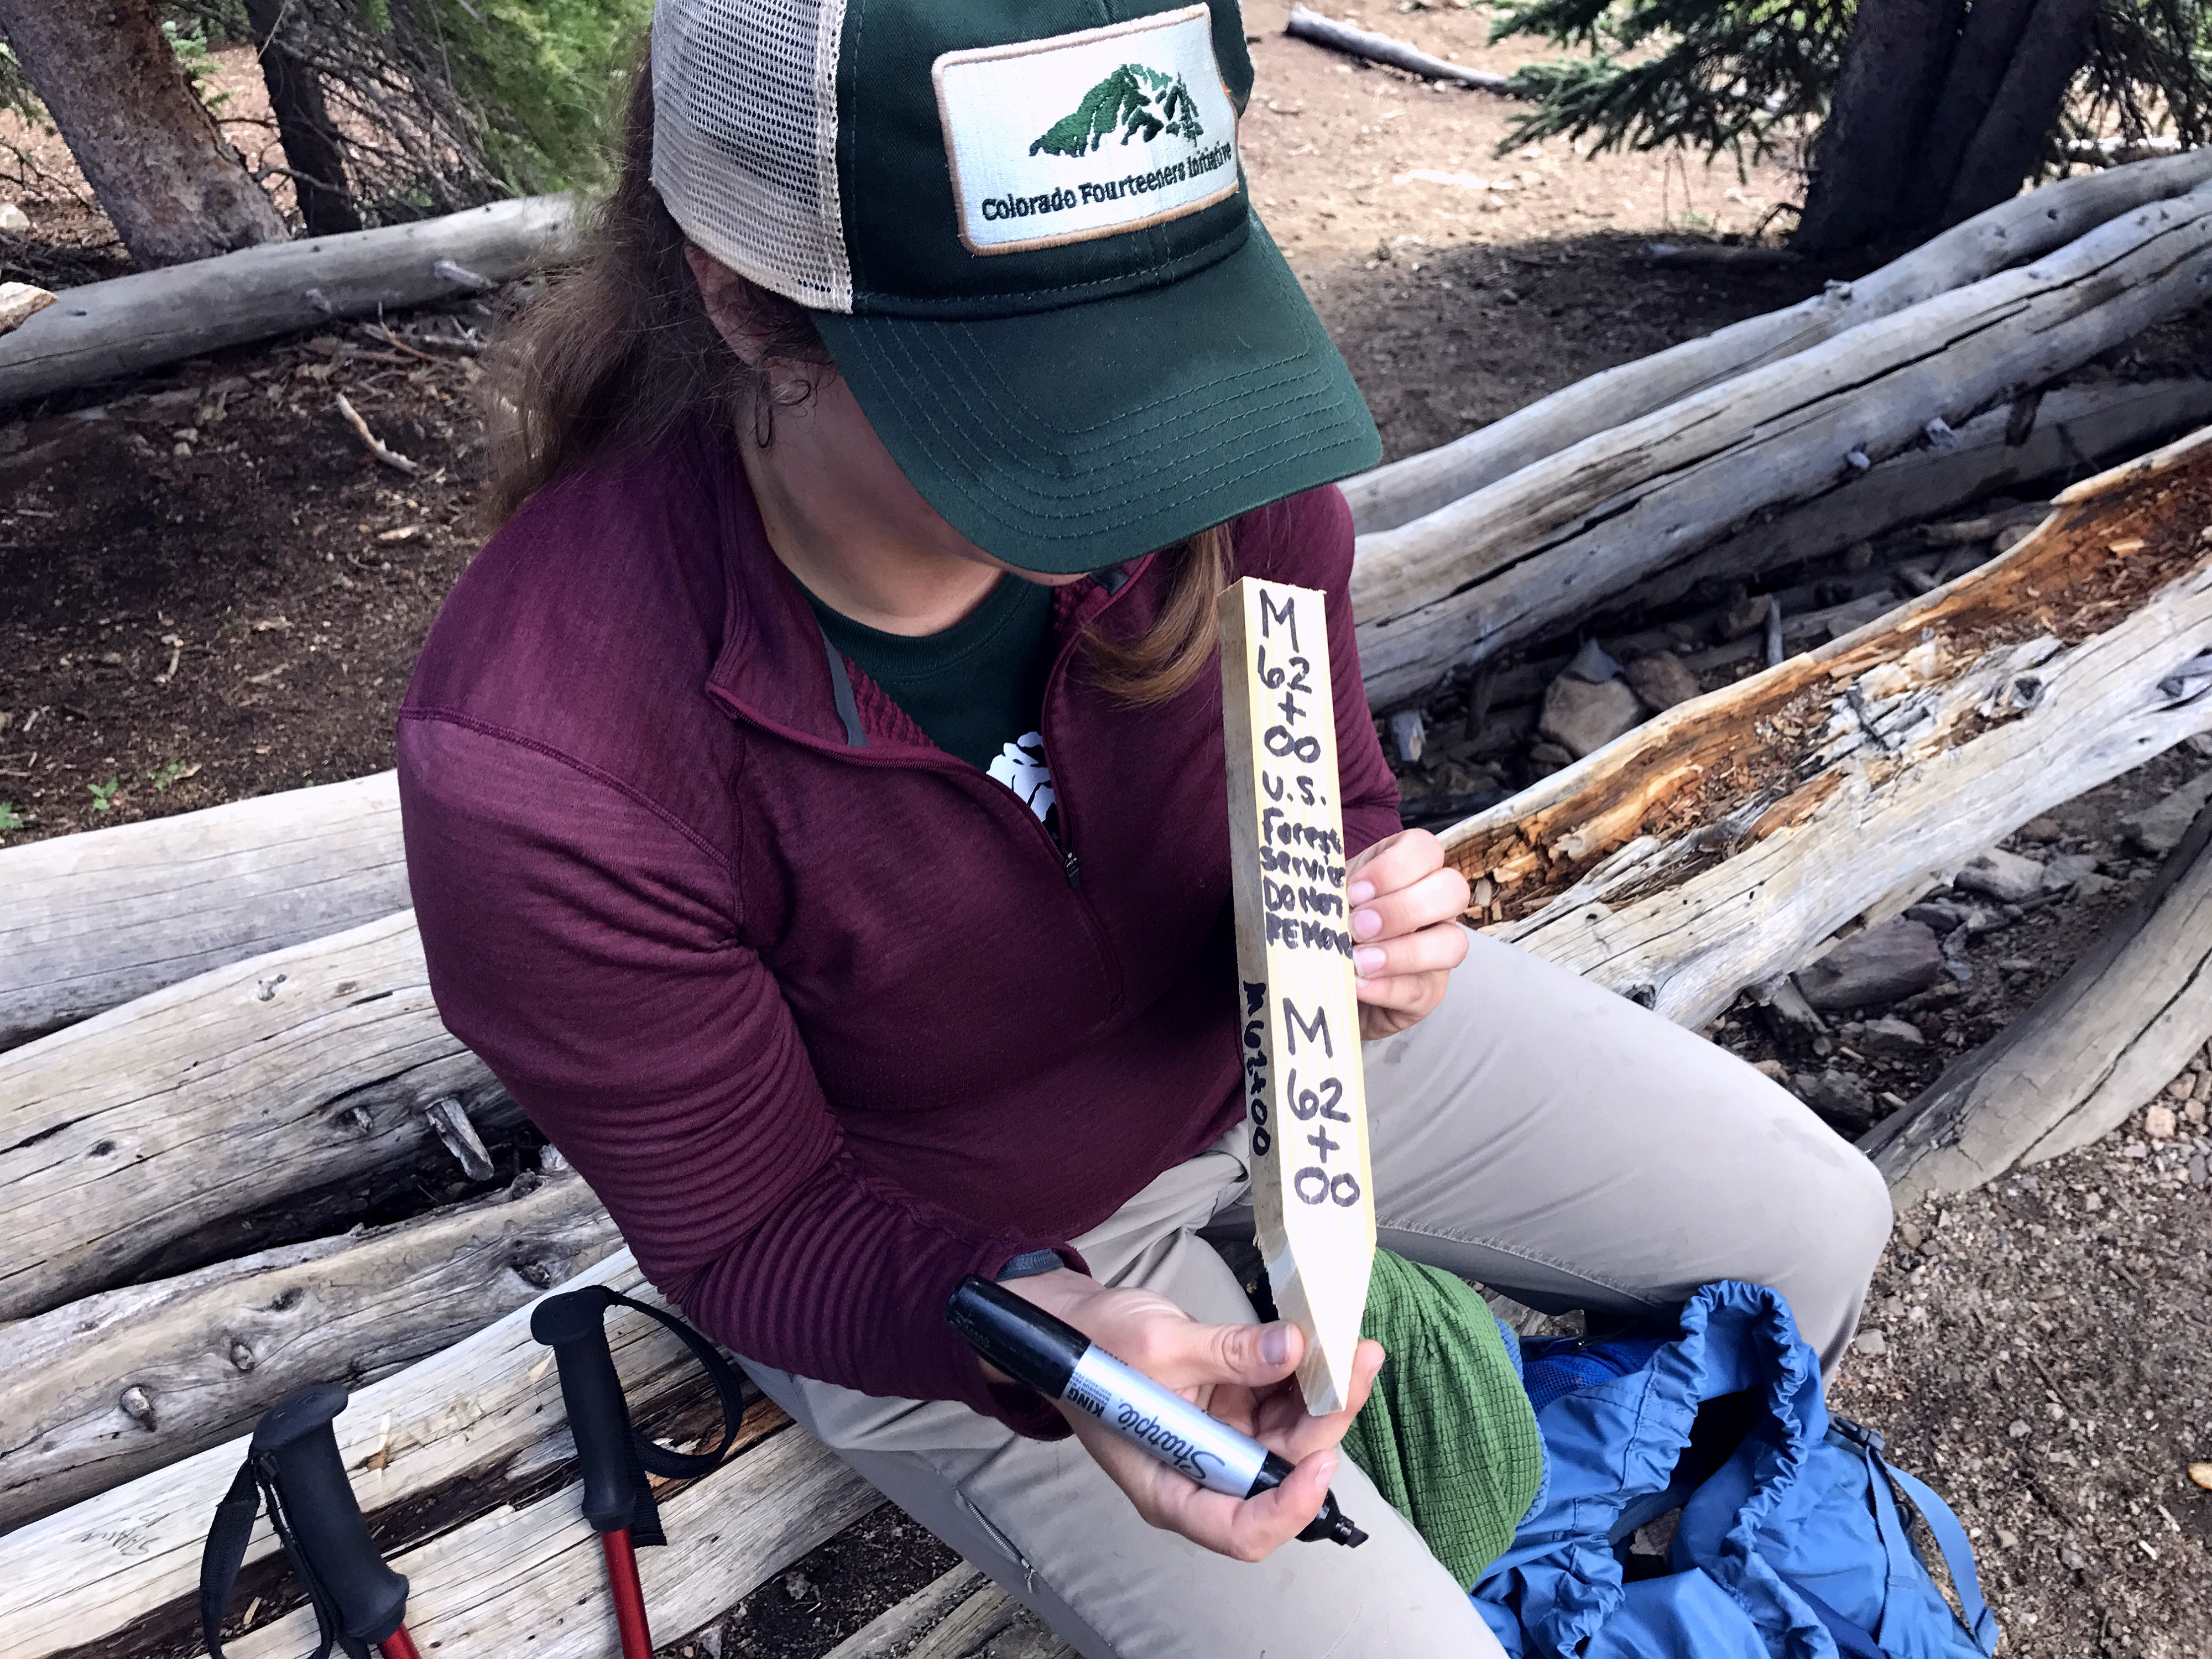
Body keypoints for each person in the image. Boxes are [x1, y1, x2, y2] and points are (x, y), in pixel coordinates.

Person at [397, 1, 1893, 1653]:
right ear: (742, 299)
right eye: (1026, 395)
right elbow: (753, 1228)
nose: (1142, 468)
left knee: (1820, 1226)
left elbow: (1325, 790)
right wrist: (1040, 1335)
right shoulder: (550, 758)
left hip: (1271, 1060)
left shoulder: (1221, 448)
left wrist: (1369, 923)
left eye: (1160, 343)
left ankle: (1611, 1541)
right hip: (948, 1242)